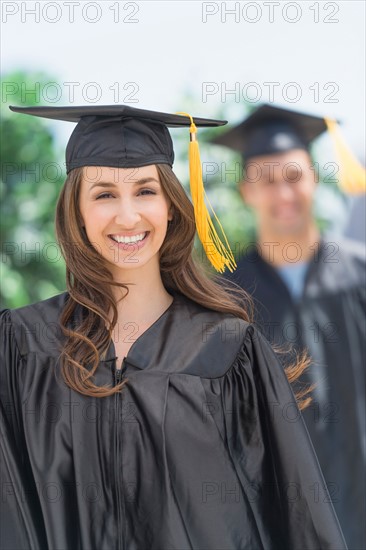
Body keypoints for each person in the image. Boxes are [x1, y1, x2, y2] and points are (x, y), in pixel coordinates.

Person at [0, 104, 347, 550]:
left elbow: (296, 518)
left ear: (170, 206)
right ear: (78, 212)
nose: (128, 216)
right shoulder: (24, 345)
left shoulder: (227, 352)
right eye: (104, 194)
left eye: (145, 191)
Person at [212, 103, 365, 550]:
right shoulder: (225, 303)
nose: (284, 194)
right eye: (267, 180)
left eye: (295, 176)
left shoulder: (358, 278)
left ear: (316, 178)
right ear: (245, 191)